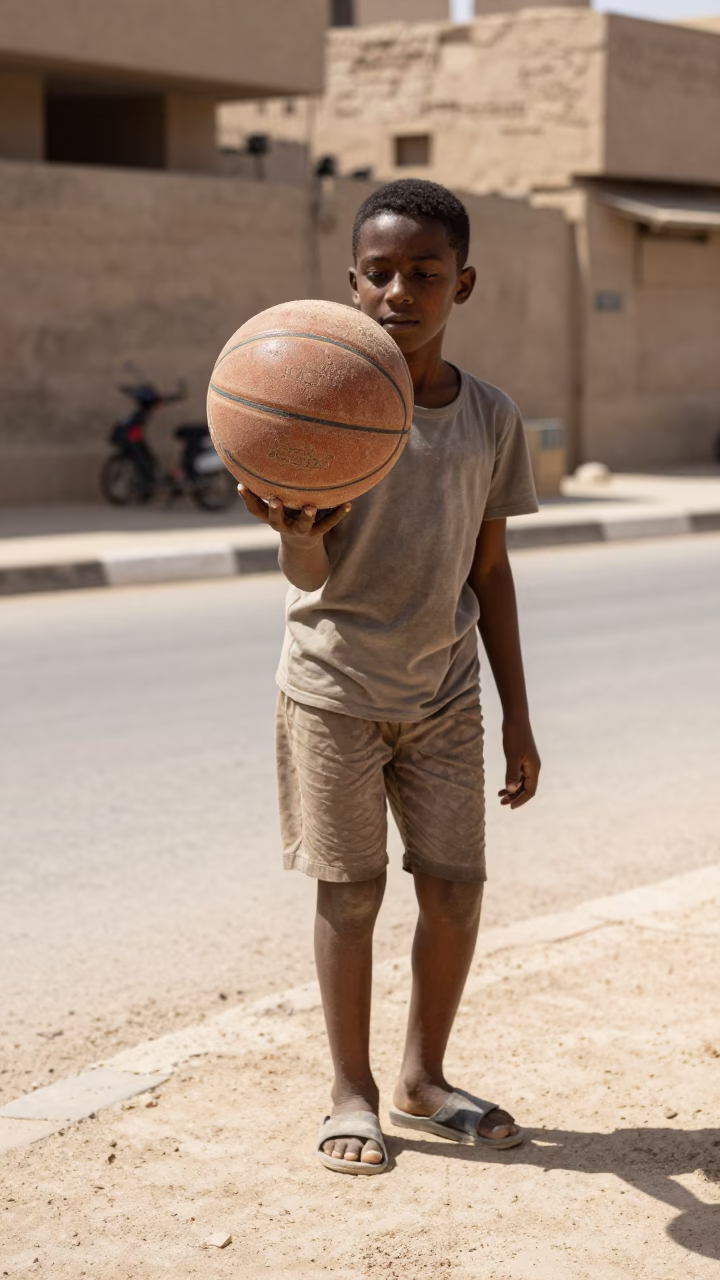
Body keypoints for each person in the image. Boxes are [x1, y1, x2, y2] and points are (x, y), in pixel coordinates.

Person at [238, 178, 541, 1175]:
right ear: (351, 281)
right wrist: (295, 535)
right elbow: (305, 571)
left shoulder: (491, 417)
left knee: (455, 889)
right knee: (352, 893)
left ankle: (424, 1075)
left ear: (466, 281)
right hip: (334, 688)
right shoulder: (309, 405)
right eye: (380, 273)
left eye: (424, 272)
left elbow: (488, 570)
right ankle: (353, 1090)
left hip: (446, 691)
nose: (399, 291)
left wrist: (518, 718)